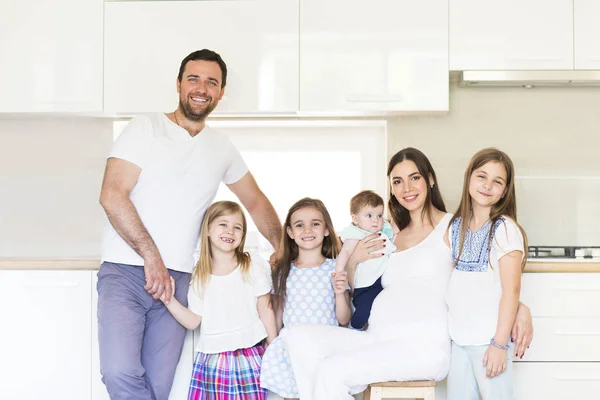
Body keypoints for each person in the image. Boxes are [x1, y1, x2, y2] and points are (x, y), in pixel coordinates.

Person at [97, 49, 281, 400]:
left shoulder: (221, 147)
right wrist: (151, 257)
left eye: (212, 82)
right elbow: (111, 194)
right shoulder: (146, 127)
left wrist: (283, 248)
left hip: (181, 278)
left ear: (221, 92)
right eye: (193, 78)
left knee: (160, 382)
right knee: (119, 372)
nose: (201, 88)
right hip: (126, 271)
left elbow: (255, 201)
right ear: (179, 84)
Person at [282, 147, 534, 400]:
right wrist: (353, 261)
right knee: (298, 337)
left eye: (415, 178)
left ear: (430, 180)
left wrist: (520, 307)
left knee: (332, 372)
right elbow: (358, 285)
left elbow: (479, 274)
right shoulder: (389, 234)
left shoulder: (453, 226)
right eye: (397, 181)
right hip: (377, 338)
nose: (407, 188)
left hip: (421, 346)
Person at [159, 201, 276, 399]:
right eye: (223, 224)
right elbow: (194, 320)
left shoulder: (252, 264)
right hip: (214, 359)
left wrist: (273, 348)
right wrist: (168, 300)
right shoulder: (199, 276)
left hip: (249, 354)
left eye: (237, 227)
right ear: (208, 230)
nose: (230, 231)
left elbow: (266, 308)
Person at [445, 149, 528, 400]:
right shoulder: (455, 226)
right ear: (469, 177)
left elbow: (511, 290)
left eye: (497, 181)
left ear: (505, 190)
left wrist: (500, 345)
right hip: (459, 340)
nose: (487, 185)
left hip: (490, 341)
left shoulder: (504, 229)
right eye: (482, 176)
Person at [260, 198, 351, 400]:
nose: (307, 230)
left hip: (325, 348)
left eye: (315, 224)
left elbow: (344, 319)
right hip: (292, 350)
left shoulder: (335, 269)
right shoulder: (283, 271)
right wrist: (272, 342)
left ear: (327, 229)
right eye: (299, 225)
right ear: (290, 233)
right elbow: (278, 312)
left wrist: (339, 292)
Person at [335, 190, 396, 330]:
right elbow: (344, 253)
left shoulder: (382, 230)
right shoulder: (355, 234)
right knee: (365, 307)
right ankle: (354, 326)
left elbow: (394, 232)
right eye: (369, 215)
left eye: (379, 215)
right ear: (355, 219)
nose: (376, 220)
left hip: (379, 279)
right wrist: (339, 271)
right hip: (364, 283)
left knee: (381, 306)